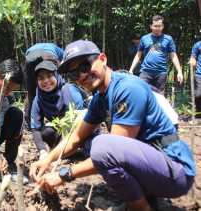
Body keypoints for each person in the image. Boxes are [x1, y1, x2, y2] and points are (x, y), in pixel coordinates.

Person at [30, 40, 195, 211]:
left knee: (102, 146)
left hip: (175, 170)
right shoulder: (99, 98)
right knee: (102, 147)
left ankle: (141, 208)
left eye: (85, 66)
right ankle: (142, 200)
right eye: (74, 74)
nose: (82, 76)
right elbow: (77, 137)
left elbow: (111, 152)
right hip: (152, 164)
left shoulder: (127, 88)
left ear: (103, 59)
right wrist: (48, 159)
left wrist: (65, 174)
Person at [30, 60, 89, 160]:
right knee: (45, 132)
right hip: (61, 130)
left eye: (49, 76)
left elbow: (81, 118)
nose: (46, 81)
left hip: (83, 127)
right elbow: (36, 128)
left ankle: (79, 149)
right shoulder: (38, 99)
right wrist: (42, 150)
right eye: (41, 78)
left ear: (56, 75)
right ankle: (64, 151)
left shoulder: (68, 90)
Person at [129, 15, 183, 94]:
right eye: (155, 26)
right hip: (145, 72)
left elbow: (173, 56)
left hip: (161, 73)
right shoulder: (144, 38)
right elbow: (138, 55)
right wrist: (131, 69)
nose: (157, 28)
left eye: (159, 26)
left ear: (163, 26)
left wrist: (179, 71)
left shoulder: (168, 39)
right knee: (142, 94)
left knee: (159, 98)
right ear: (151, 26)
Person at [24, 43, 64, 126]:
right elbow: (63, 63)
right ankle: (59, 118)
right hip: (48, 56)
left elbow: (27, 56)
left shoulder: (32, 47)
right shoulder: (59, 50)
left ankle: (32, 122)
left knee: (31, 92)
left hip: (31, 58)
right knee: (58, 85)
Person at [189, 41, 201, 118]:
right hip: (199, 74)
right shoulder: (198, 44)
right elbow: (193, 56)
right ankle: (199, 114)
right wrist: (192, 61)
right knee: (198, 95)